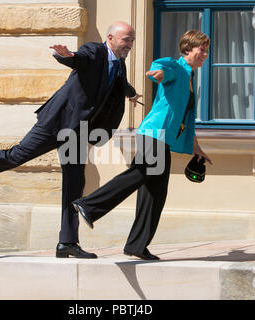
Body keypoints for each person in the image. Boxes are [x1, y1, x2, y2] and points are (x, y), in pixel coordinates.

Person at [0, 21, 141, 259]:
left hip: (77, 130)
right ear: (110, 38)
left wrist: (131, 93)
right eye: (126, 39)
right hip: (58, 121)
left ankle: (67, 241)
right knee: (18, 155)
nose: (129, 44)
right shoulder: (94, 50)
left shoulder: (118, 62)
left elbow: (116, 82)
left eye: (132, 40)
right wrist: (65, 55)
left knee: (75, 183)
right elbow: (79, 59)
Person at [72, 30, 213, 260]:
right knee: (139, 174)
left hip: (163, 138)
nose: (205, 54)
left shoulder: (189, 77)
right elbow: (162, 66)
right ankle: (89, 205)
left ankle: (137, 246)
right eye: (202, 49)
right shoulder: (177, 68)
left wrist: (195, 146)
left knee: (155, 192)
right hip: (153, 133)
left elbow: (185, 118)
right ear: (188, 49)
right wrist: (157, 73)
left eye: (207, 50)